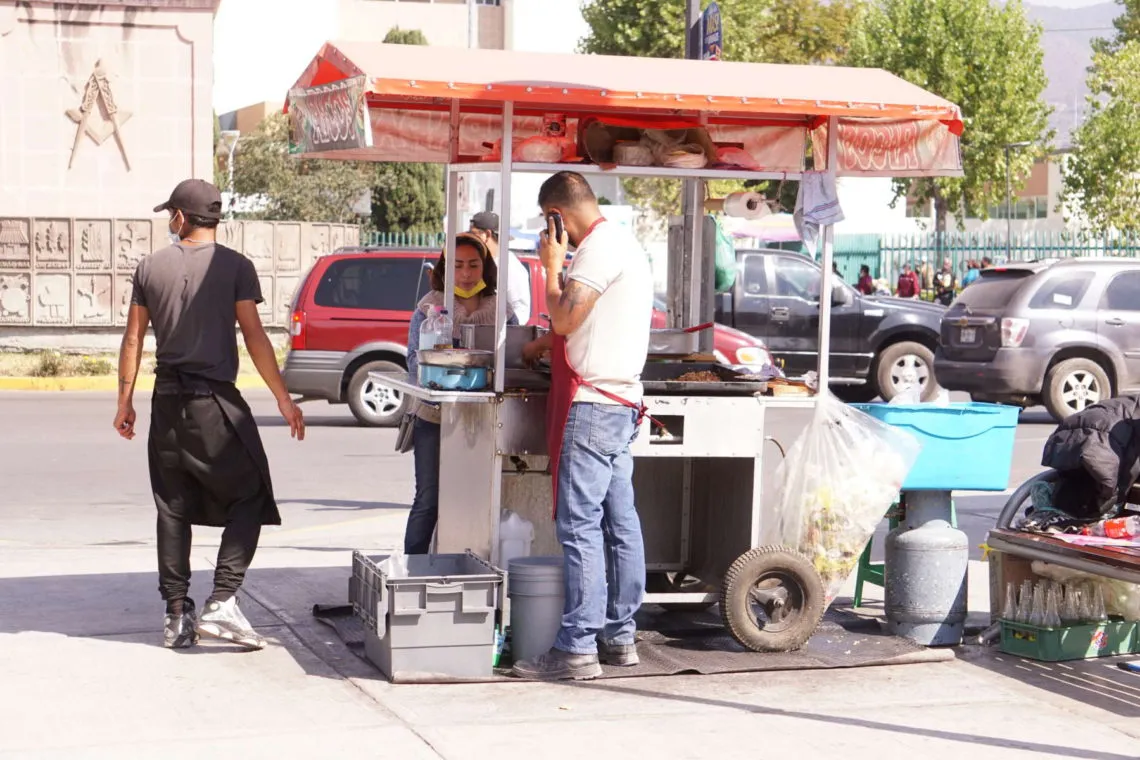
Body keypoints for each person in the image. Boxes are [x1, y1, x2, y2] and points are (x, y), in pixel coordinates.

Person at [114, 179, 305, 650]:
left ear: (181, 216)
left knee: (172, 506)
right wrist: (283, 397)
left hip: (165, 401)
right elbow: (254, 336)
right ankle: (222, 601)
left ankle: (177, 614)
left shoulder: (148, 266)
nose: (168, 223)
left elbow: (134, 339)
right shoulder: (236, 267)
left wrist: (124, 401)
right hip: (213, 401)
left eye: (170, 215)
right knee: (251, 494)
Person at [513, 171, 654, 681]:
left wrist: (551, 269)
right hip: (621, 402)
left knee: (580, 528)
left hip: (595, 405)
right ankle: (619, 636)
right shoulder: (625, 243)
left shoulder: (595, 249)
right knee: (620, 524)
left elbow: (567, 319)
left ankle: (577, 648)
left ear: (559, 216)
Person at [403, 233, 502, 554]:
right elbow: (414, 361)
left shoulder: (501, 309)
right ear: (445, 268)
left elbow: (510, 354)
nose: (466, 273)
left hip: (485, 418)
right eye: (457, 266)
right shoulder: (428, 308)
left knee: (480, 497)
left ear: (485, 268)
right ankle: (411, 573)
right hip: (433, 416)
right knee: (428, 498)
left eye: (474, 265)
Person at [470, 211, 532, 325]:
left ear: (487, 235)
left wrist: (501, 334)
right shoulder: (478, 262)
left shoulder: (510, 266)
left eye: (474, 234)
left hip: (499, 338)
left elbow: (520, 311)